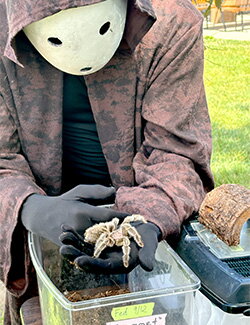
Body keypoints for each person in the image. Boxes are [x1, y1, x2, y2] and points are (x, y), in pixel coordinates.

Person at [0, 0, 214, 323]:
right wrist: (28, 207)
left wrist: (148, 218)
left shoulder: (171, 24)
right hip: (44, 271)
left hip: (147, 268)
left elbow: (175, 152)